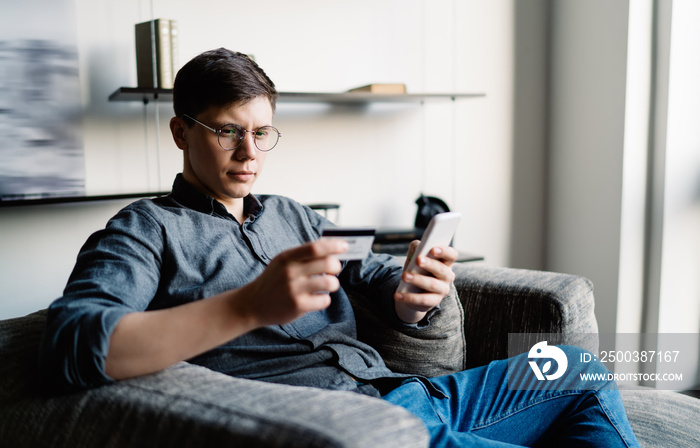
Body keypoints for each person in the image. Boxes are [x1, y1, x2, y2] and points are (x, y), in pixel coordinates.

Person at [39, 48, 640, 447]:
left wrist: (411, 296)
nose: (249, 152)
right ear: (180, 132)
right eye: (227, 131)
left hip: (407, 391)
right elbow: (74, 342)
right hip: (353, 428)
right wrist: (248, 307)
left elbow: (376, 275)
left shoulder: (294, 215)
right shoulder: (145, 230)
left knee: (577, 365)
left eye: (261, 132)